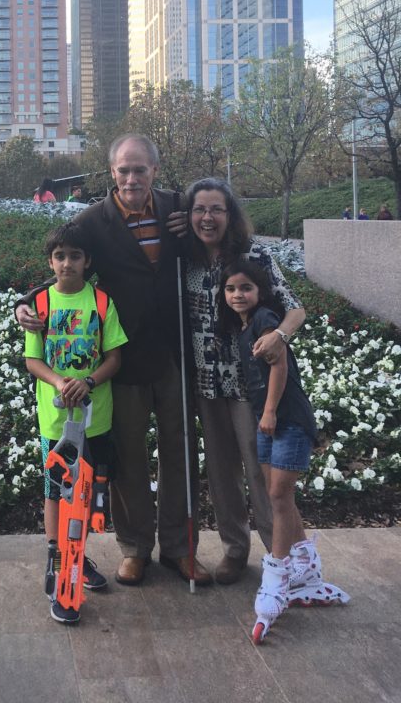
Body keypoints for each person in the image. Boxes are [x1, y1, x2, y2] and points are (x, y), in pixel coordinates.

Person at [18, 135, 211, 587]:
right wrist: (25, 302)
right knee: (128, 458)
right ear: (112, 173)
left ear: (154, 171)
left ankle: (181, 549)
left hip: (175, 352)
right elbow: (65, 266)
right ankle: (135, 548)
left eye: (140, 169)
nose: (132, 178)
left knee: (179, 453)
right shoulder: (93, 221)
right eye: (124, 170)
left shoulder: (177, 210)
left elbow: (213, 242)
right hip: (122, 359)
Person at [218, 260, 349, 642]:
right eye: (231, 289)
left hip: (286, 418)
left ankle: (276, 579)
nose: (238, 295)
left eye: (245, 288)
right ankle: (305, 566)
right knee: (278, 494)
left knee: (277, 494)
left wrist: (271, 410)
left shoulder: (265, 320)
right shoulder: (245, 327)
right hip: (266, 418)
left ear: (259, 292)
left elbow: (279, 367)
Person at [185, 177, 305, 585]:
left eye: (216, 209)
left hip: (249, 384)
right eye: (199, 209)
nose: (207, 217)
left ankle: (279, 555)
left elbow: (295, 309)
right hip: (205, 382)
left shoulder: (254, 255)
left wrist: (279, 336)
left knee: (260, 471)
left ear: (230, 214)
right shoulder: (183, 258)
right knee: (221, 472)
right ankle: (235, 550)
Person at [24, 222, 128, 624]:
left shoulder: (101, 304)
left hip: (95, 420)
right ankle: (57, 558)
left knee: (85, 494)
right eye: (60, 256)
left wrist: (87, 382)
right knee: (56, 492)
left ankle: (77, 556)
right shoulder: (41, 307)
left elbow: (113, 358)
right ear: (50, 261)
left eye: (75, 256)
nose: (67, 263)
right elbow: (34, 360)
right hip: (56, 423)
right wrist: (59, 382)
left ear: (88, 262)